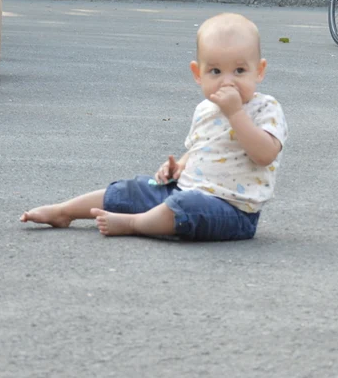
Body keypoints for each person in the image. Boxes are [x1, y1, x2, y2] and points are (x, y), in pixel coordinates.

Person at [20, 13, 287, 241]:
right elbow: (201, 148)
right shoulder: (206, 109)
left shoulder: (266, 108)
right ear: (198, 74)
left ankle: (133, 224)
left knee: (184, 207)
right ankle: (64, 211)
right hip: (186, 189)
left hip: (233, 210)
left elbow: (265, 154)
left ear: (259, 71)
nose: (227, 81)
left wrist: (236, 113)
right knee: (137, 188)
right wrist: (179, 166)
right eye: (215, 72)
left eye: (239, 70)